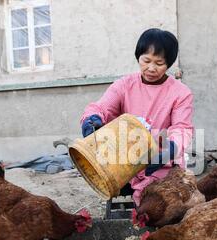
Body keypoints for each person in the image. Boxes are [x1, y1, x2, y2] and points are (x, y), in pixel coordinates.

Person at [80, 28, 194, 206]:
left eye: (159, 63)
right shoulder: (125, 85)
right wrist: (91, 118)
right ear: (138, 57)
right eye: (146, 60)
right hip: (124, 159)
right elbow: (102, 107)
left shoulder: (180, 93)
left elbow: (182, 128)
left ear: (169, 64)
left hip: (158, 160)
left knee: (158, 200)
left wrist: (170, 149)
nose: (151, 68)